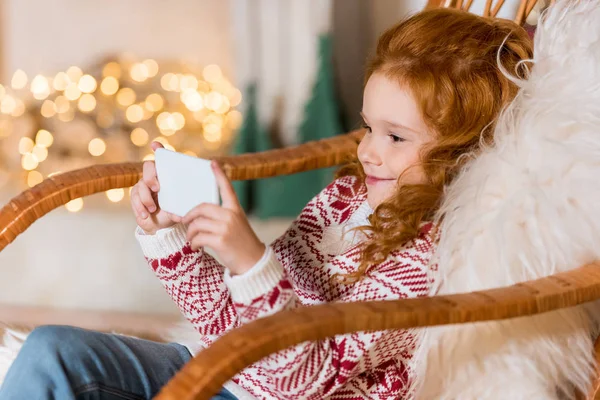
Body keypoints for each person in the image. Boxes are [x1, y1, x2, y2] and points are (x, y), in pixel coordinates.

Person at [0, 7, 533, 400]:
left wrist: (250, 263)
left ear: (464, 152)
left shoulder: (431, 261)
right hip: (221, 372)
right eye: (369, 126)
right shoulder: (344, 199)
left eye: (396, 137)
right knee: (50, 351)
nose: (367, 150)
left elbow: (297, 381)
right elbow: (228, 326)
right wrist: (172, 239)